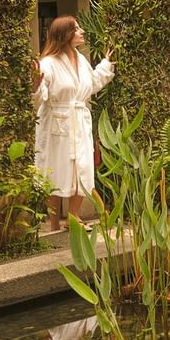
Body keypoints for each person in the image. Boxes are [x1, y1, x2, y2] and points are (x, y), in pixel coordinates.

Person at [31, 15, 115, 231]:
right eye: (76, 29)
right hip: (56, 124)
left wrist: (106, 65)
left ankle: (73, 217)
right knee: (56, 171)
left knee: (83, 169)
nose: (81, 32)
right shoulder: (48, 63)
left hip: (79, 121)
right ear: (64, 35)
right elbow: (40, 96)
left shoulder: (81, 60)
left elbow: (92, 84)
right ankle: (53, 225)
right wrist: (35, 85)